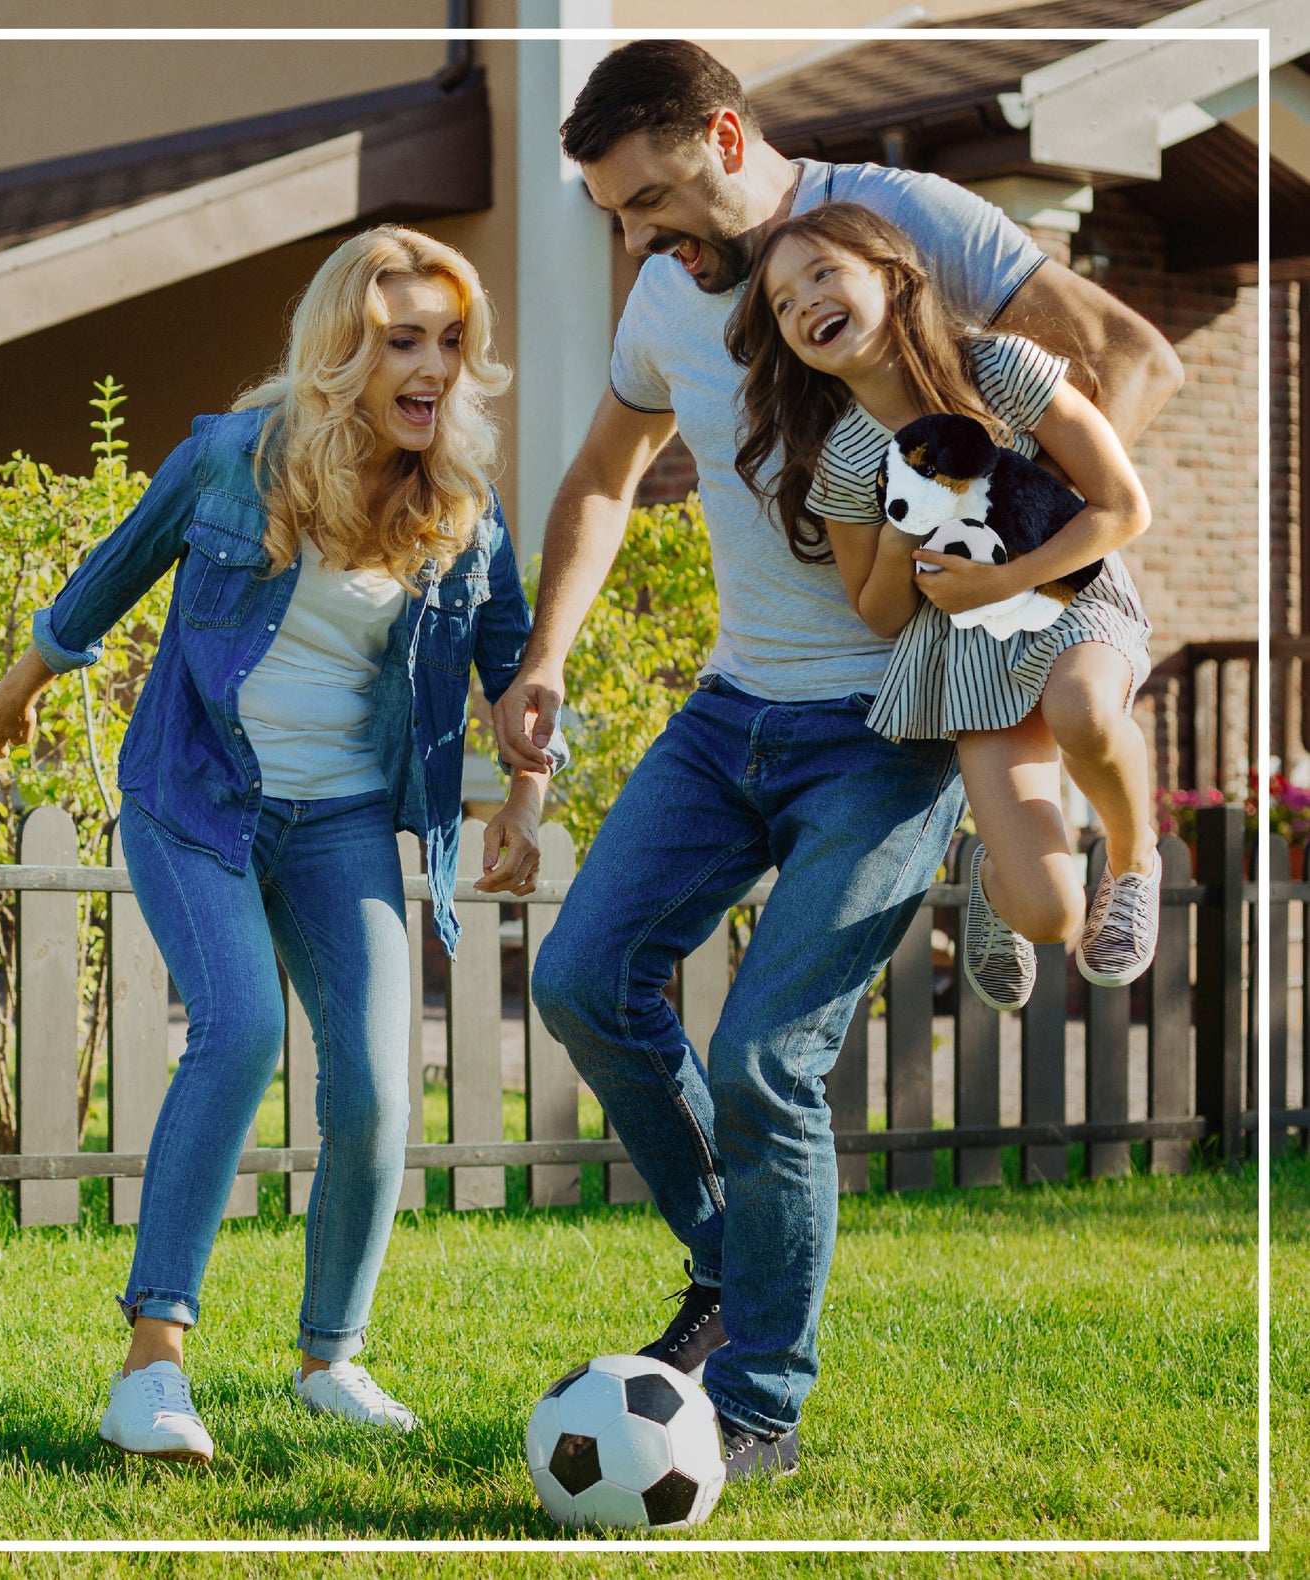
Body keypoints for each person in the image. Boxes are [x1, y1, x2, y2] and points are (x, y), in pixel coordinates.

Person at [495, 39, 1181, 1480]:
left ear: (726, 136)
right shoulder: (665, 295)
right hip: (731, 709)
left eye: (654, 198)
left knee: (764, 1060)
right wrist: (545, 656)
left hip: (896, 725)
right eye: (617, 213)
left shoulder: (911, 223)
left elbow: (1130, 359)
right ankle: (734, 1269)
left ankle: (756, 1404)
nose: (637, 236)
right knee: (580, 983)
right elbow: (605, 479)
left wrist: (1010, 561)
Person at [0, 226, 564, 1464]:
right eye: (404, 340)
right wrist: (22, 683)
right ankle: (151, 1369)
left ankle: (329, 1358)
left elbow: (514, 666)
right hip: (198, 796)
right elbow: (112, 570)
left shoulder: (459, 503)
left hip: (342, 818)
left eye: (452, 343)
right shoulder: (233, 458)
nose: (433, 367)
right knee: (236, 1029)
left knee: (379, 1084)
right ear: (342, 348)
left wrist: (524, 794)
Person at [728, 202, 1159, 1010]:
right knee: (1047, 913)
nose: (803, 303)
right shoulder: (847, 461)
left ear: (891, 277)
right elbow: (882, 614)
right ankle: (998, 883)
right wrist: (900, 531)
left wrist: (1005, 578)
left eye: (822, 273)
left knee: (1082, 707)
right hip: (965, 656)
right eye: (782, 304)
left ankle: (1134, 861)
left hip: (1071, 600)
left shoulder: (997, 369)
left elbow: (1121, 509)